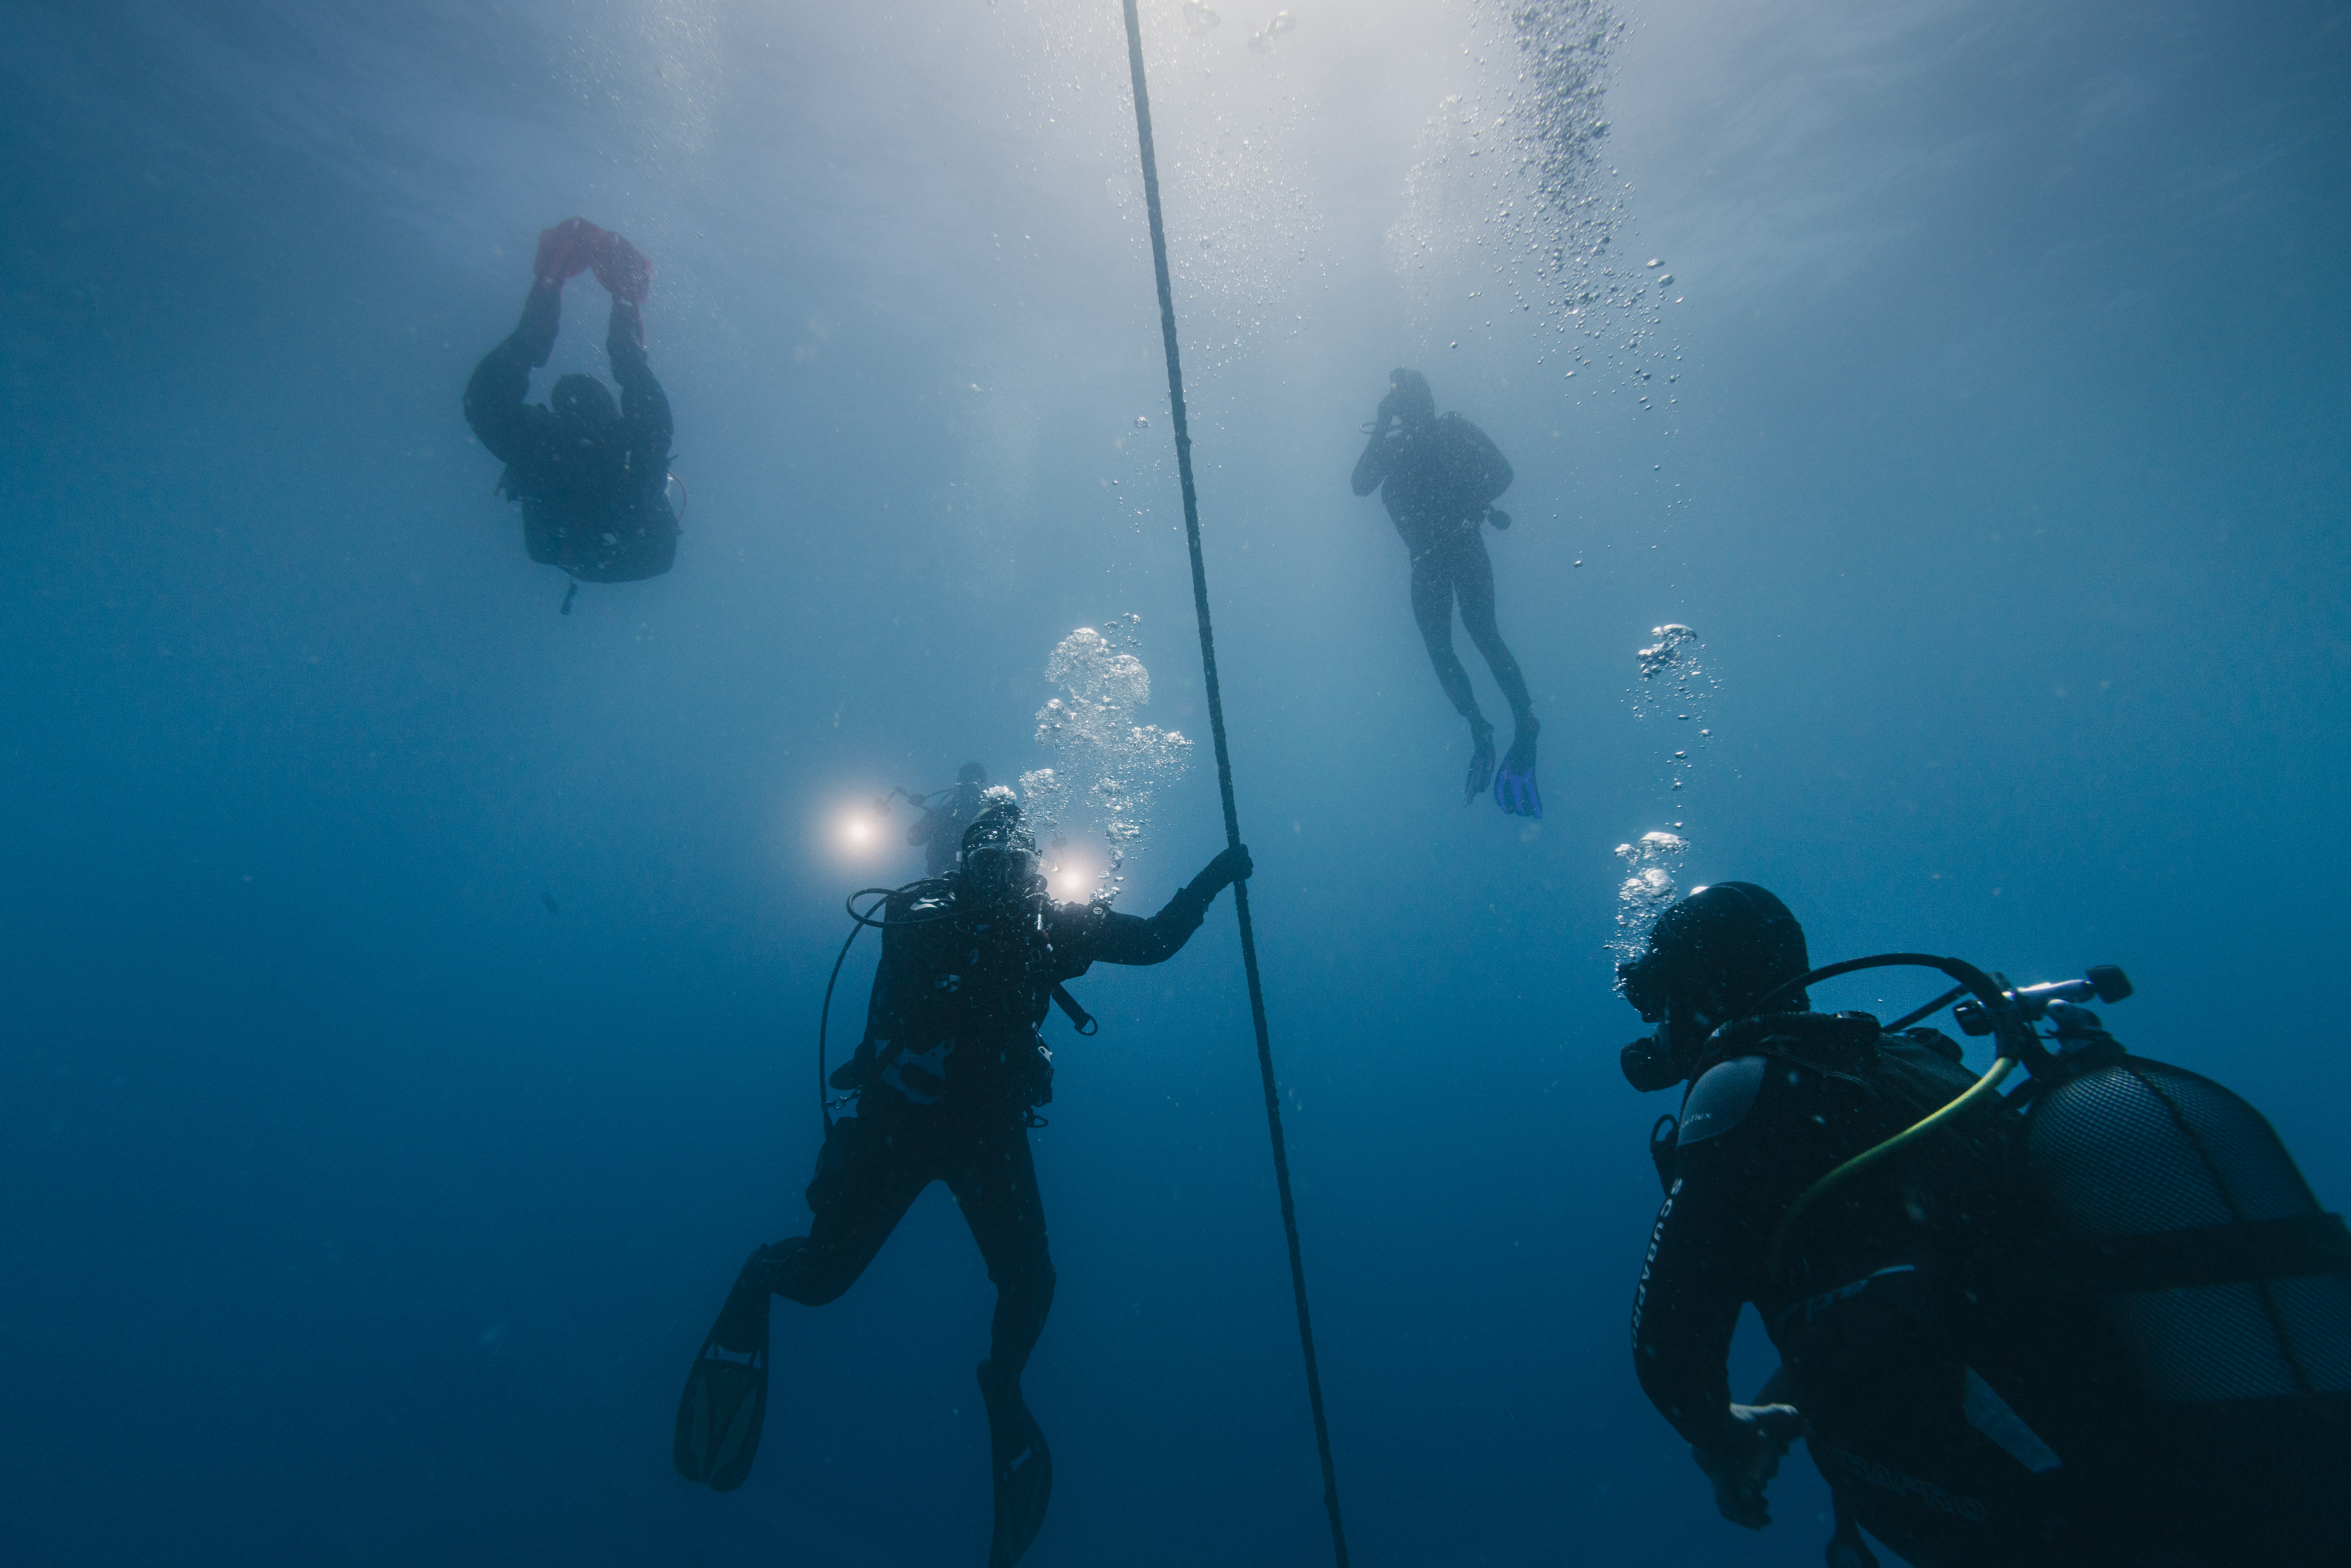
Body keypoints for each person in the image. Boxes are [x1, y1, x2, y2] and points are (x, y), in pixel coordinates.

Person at [1616, 882, 2351, 1567]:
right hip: (2143, 1450)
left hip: (2048, 1511)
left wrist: (1721, 1435)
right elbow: (1912, 1280)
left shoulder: (1738, 1088)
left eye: (1658, 996)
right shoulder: (1912, 1065)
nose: (1657, 1025)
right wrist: (1789, 1400)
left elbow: (1668, 1349)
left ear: (1703, 988)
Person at [674, 798, 1252, 1568]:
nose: (1003, 878)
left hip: (986, 1136)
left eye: (1016, 865)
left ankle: (1002, 1383)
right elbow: (915, 985)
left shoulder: (1048, 921)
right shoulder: (921, 911)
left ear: (1033, 870)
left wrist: (1212, 880)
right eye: (988, 863)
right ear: (961, 865)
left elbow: (1151, 942)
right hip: (900, 1124)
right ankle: (761, 1276)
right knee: (823, 1280)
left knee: (1031, 1283)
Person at [1350, 367, 1542, 817]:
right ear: (1397, 408)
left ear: (1431, 401)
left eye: (1419, 399)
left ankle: (1524, 721)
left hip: (1462, 544)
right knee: (1441, 648)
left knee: (1482, 632)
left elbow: (1504, 473)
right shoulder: (1393, 448)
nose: (1416, 409)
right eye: (1405, 402)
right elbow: (1360, 486)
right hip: (1426, 560)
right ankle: (1480, 727)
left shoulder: (1455, 430)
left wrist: (1468, 503)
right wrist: (1381, 426)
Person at [463, 217, 678, 588]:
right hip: (612, 532)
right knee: (649, 433)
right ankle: (602, 297)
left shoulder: (543, 446)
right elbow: (643, 392)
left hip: (580, 532)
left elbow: (483, 403)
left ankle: (568, 293)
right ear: (612, 412)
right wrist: (624, 308)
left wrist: (544, 297)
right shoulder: (632, 455)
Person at [909, 762, 995, 878]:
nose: (970, 792)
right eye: (966, 784)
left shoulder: (992, 814)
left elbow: (914, 839)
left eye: (973, 786)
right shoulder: (943, 812)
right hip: (946, 879)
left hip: (980, 881)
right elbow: (914, 839)